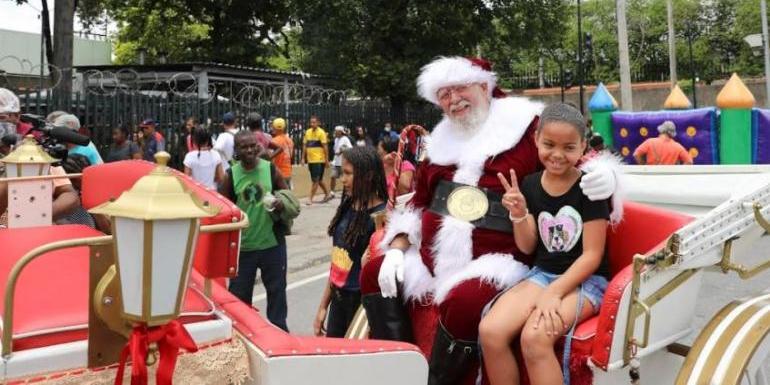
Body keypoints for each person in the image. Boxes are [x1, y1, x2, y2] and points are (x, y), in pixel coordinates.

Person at [357, 57, 621, 385]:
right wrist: (397, 247)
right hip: (434, 256)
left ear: (484, 85)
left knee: (465, 302)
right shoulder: (438, 139)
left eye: (460, 88)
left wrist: (606, 175)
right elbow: (418, 203)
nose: (453, 100)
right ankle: (398, 372)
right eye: (444, 94)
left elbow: (574, 157)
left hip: (501, 258)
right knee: (373, 272)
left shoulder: (526, 123)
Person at [479, 103, 610, 385]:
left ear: (583, 146)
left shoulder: (591, 189)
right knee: (490, 331)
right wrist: (519, 214)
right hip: (542, 275)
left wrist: (554, 292)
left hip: (585, 281)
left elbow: (592, 255)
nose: (558, 155)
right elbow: (528, 247)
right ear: (537, 139)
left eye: (569, 147)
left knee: (535, 338)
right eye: (549, 144)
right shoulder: (529, 184)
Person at [220, 131, 291, 332]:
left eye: (253, 146)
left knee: (277, 294)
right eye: (244, 147)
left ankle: (280, 335)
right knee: (240, 299)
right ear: (237, 151)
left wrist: (280, 203)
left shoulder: (270, 169)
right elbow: (222, 208)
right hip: (243, 249)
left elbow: (287, 196)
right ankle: (244, 337)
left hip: (273, 245)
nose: (250, 150)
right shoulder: (231, 176)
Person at [314, 146, 388, 337]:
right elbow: (338, 263)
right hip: (339, 301)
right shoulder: (347, 205)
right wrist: (323, 306)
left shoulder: (382, 217)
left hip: (362, 307)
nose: (343, 179)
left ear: (368, 176)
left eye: (348, 173)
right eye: (342, 173)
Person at [0, 88, 79, 226]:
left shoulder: (35, 151)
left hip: (38, 236)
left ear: (16, 117)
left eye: (1, 118)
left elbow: (69, 195)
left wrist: (40, 215)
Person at [302, 115, 331, 204]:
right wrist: (303, 158)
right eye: (311, 122)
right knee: (319, 180)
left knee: (316, 180)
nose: (312, 124)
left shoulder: (321, 133)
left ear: (318, 123)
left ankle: (310, 198)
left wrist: (326, 160)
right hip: (310, 160)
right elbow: (304, 145)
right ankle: (327, 194)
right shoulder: (307, 132)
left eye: (314, 122)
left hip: (319, 160)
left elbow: (325, 147)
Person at [270, 117, 294, 187]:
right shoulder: (290, 140)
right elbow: (291, 156)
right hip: (288, 172)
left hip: (278, 175)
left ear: (274, 128)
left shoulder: (274, 141)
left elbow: (271, 159)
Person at [330, 125, 353, 197]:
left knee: (344, 178)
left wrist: (341, 151)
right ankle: (332, 192)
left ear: (340, 132)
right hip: (336, 162)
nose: (335, 133)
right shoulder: (336, 140)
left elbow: (350, 149)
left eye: (337, 131)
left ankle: (346, 192)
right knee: (333, 176)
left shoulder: (345, 139)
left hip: (343, 162)